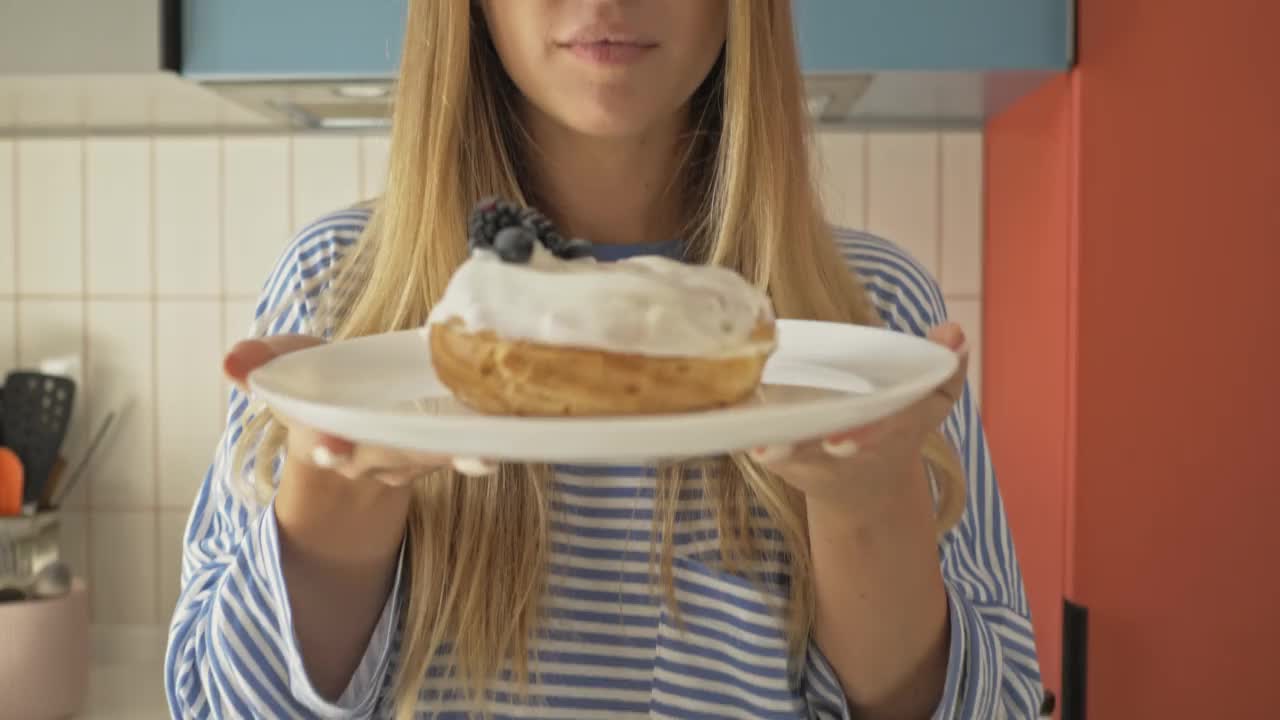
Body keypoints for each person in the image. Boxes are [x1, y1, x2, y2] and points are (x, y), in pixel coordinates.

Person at [164, 1, 1042, 718]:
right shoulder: (340, 303)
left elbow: (995, 706)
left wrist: (866, 507)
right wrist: (336, 495)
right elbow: (214, 703)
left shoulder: (870, 324)